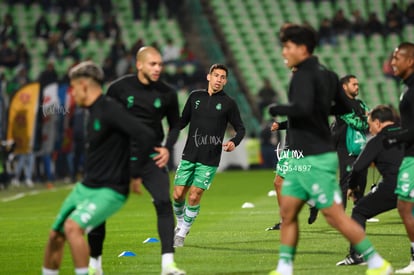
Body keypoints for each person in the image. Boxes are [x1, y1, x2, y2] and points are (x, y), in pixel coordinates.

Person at [267, 24, 392, 275]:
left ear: (302, 49)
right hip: (309, 154)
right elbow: (346, 108)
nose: (283, 51)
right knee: (288, 212)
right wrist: (322, 108)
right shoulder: (328, 75)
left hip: (312, 157)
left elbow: (301, 109)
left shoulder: (302, 75)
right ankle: (284, 268)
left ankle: (378, 263)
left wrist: (278, 109)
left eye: (287, 46)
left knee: (335, 217)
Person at [41, 61, 160, 275]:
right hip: (87, 186)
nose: (72, 93)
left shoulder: (110, 109)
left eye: (74, 87)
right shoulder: (91, 111)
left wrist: (134, 174)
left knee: (72, 228)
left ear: (85, 85)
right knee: (54, 236)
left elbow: (145, 134)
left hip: (110, 190)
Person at [87, 46, 184, 275]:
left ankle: (168, 264)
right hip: (119, 156)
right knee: (100, 208)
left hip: (151, 156)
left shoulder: (167, 93)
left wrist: (168, 148)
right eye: (153, 64)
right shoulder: (119, 88)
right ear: (139, 65)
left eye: (160, 64)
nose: (158, 68)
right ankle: (94, 265)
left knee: (163, 202)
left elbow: (176, 123)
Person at [172, 63, 246, 247]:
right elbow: (182, 121)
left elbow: (241, 128)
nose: (219, 80)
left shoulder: (229, 103)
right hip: (189, 154)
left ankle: (182, 232)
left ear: (225, 81)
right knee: (178, 194)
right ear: (209, 77)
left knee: (194, 195)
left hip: (210, 158)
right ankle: (180, 222)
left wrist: (233, 142)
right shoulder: (195, 97)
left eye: (222, 77)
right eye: (216, 76)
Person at [336, 105, 403, 266]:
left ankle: (356, 255)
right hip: (411, 183)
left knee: (359, 211)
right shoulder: (407, 134)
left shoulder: (377, 141)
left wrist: (353, 187)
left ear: (378, 123)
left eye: (370, 124)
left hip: (393, 186)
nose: (369, 128)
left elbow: (358, 167)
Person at [384, 42, 414, 274]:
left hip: (413, 157)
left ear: (410, 61)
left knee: (404, 207)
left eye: (397, 58)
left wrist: (391, 137)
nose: (392, 62)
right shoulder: (407, 88)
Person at [265, 121, 319, 231]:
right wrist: (280, 125)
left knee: (281, 183)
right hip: (290, 147)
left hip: (299, 148)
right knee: (288, 183)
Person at [331, 74, 369, 209]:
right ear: (344, 86)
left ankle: (359, 210)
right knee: (345, 180)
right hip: (345, 147)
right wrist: (365, 119)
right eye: (354, 84)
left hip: (360, 146)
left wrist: (366, 119)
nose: (357, 87)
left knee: (362, 178)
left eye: (358, 84)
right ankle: (341, 214)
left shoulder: (360, 103)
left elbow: (370, 119)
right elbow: (359, 123)